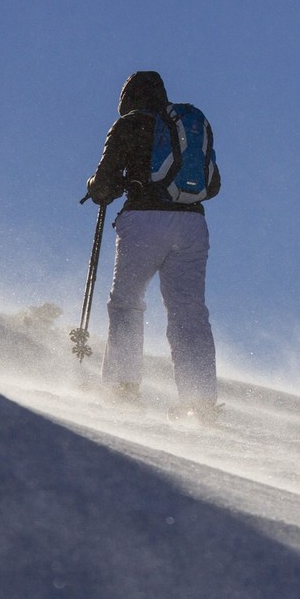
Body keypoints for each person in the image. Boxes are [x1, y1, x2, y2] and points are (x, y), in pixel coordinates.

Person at [85, 70, 222, 422]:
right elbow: (214, 185)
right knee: (189, 312)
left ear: (129, 99)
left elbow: (104, 184)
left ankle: (123, 387)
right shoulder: (186, 126)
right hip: (193, 224)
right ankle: (200, 400)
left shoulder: (129, 124)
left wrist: (96, 187)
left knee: (128, 303)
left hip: (145, 220)